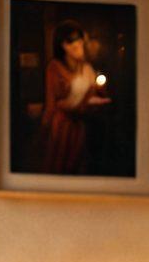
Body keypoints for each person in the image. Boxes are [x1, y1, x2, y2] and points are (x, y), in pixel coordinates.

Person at [40, 20, 110, 176]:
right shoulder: (55, 67)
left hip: (80, 124)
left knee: (78, 166)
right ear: (62, 45)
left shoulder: (86, 67)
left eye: (78, 39)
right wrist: (45, 128)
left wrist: (98, 92)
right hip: (62, 125)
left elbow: (97, 93)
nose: (76, 44)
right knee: (58, 165)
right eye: (69, 41)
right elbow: (53, 101)